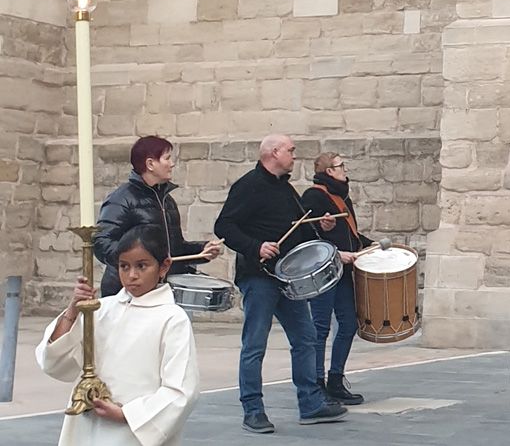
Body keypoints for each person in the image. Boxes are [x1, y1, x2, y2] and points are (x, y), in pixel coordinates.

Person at [214, 134, 347, 434]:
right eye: (290, 150)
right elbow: (224, 226)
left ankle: (310, 404)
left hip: (288, 278)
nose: (294, 155)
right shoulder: (248, 186)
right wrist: (256, 246)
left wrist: (321, 227)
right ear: (274, 152)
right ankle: (253, 409)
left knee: (305, 338)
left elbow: (297, 230)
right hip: (259, 277)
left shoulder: (285, 189)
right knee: (255, 345)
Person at [35, 225, 200, 445]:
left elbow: (181, 391)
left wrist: (127, 415)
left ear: (163, 266)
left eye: (142, 266)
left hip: (135, 431)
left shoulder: (172, 319)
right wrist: (74, 310)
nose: (132, 275)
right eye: (124, 266)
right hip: (88, 427)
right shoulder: (101, 309)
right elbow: (55, 361)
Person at [94, 136, 223, 297]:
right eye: (167, 158)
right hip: (125, 292)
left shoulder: (167, 201)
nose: (172, 163)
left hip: (160, 290)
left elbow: (173, 249)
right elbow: (101, 243)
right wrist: (136, 263)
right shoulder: (120, 199)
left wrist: (202, 250)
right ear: (150, 164)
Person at [301, 151, 374, 405]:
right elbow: (307, 235)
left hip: (342, 272)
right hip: (323, 271)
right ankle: (316, 383)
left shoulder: (341, 196)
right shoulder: (314, 195)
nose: (345, 170)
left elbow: (349, 233)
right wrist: (335, 252)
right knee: (320, 328)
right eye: (340, 166)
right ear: (329, 172)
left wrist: (369, 245)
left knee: (348, 324)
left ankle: (335, 379)